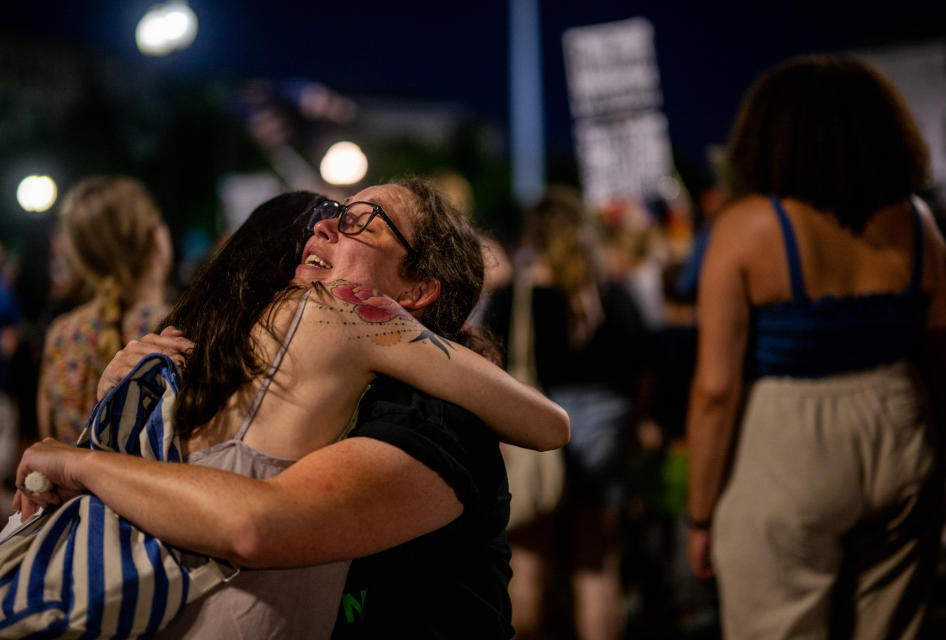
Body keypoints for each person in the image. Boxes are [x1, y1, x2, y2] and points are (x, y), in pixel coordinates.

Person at [13, 177, 569, 639]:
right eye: (331, 214)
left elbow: (257, 524)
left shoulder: (435, 409)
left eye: (361, 221)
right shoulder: (256, 367)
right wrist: (130, 401)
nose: (323, 225)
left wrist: (81, 462)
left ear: (418, 291)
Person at [685, 55, 946, 639]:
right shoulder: (919, 223)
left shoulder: (747, 227)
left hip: (785, 442)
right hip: (902, 425)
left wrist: (701, 512)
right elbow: (944, 356)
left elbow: (714, 388)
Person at [484, 186, 653, 640]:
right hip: (605, 441)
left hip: (536, 438)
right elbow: (643, 366)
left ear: (532, 235)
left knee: (529, 567)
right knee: (596, 567)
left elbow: (487, 373)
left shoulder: (514, 298)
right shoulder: (614, 294)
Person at [37, 175, 172, 445]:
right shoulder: (176, 330)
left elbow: (50, 444)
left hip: (79, 488)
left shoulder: (62, 334)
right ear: (155, 236)